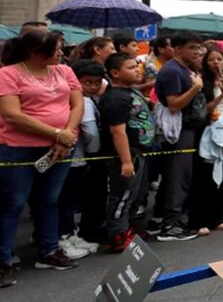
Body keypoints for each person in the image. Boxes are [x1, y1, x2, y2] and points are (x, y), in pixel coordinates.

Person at [0, 29, 84, 284]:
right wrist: (57, 133)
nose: (61, 53)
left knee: (49, 199)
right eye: (56, 49)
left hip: (60, 146)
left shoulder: (64, 71)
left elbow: (77, 104)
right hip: (18, 147)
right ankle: (3, 258)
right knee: (12, 203)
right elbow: (12, 114)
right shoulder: (8, 74)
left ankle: (49, 250)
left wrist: (66, 136)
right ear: (36, 53)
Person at [101, 53, 155, 252]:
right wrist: (125, 161)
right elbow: (117, 131)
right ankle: (118, 234)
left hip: (139, 153)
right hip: (126, 155)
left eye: (137, 66)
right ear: (115, 73)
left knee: (135, 194)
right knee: (122, 195)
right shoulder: (115, 97)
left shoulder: (129, 91)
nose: (137, 70)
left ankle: (130, 227)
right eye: (131, 67)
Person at [153, 32, 205, 241]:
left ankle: (162, 219)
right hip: (178, 131)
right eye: (192, 47)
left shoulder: (185, 69)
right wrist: (195, 88)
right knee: (177, 177)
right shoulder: (172, 71)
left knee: (176, 176)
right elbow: (174, 104)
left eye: (198, 48)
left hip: (188, 129)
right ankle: (170, 225)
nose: (197, 51)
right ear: (177, 48)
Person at [57, 61, 105, 258]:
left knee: (63, 200)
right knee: (68, 201)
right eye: (87, 82)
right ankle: (64, 238)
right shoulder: (84, 102)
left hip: (66, 158)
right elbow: (91, 132)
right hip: (77, 159)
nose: (92, 87)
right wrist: (94, 152)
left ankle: (66, 234)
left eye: (96, 83)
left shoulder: (66, 97)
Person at [189, 47, 223, 236]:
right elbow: (204, 110)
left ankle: (220, 216)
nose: (216, 63)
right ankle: (201, 219)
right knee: (204, 175)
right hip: (207, 129)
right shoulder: (202, 82)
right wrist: (219, 94)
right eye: (211, 60)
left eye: (219, 59)